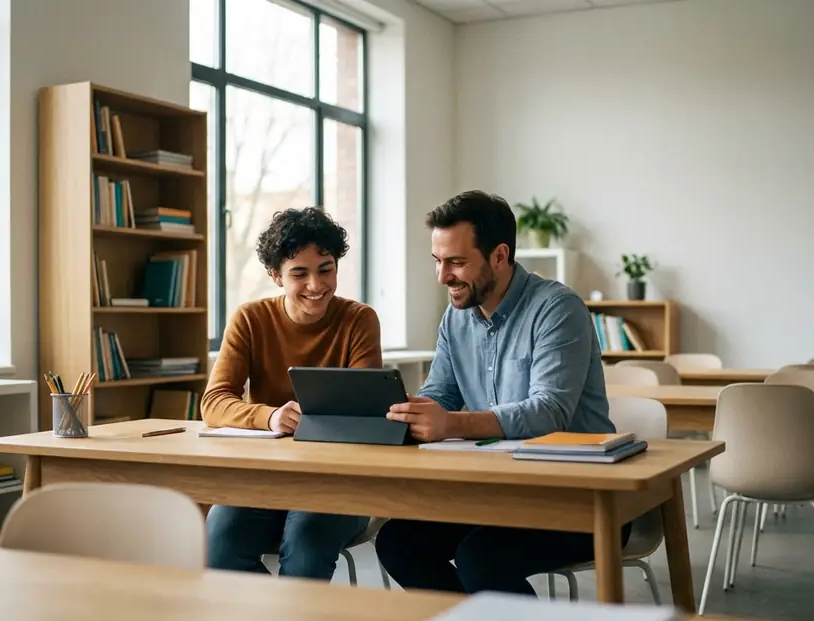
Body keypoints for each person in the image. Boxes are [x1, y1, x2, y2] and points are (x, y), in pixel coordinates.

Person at [375, 189, 624, 595]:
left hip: (580, 495)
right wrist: (404, 412)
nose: (443, 277)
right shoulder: (455, 320)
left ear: (500, 256)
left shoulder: (557, 309)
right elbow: (439, 395)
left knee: (481, 558)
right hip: (499, 491)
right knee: (398, 543)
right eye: (438, 262)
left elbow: (549, 412)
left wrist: (449, 424)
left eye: (456, 262)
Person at [200, 206, 382, 581]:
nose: (316, 285)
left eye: (326, 269)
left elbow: (366, 411)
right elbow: (214, 402)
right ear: (276, 276)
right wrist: (268, 417)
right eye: (300, 273)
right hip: (265, 480)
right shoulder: (250, 319)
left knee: (304, 551)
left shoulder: (359, 320)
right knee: (218, 546)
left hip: (338, 482)